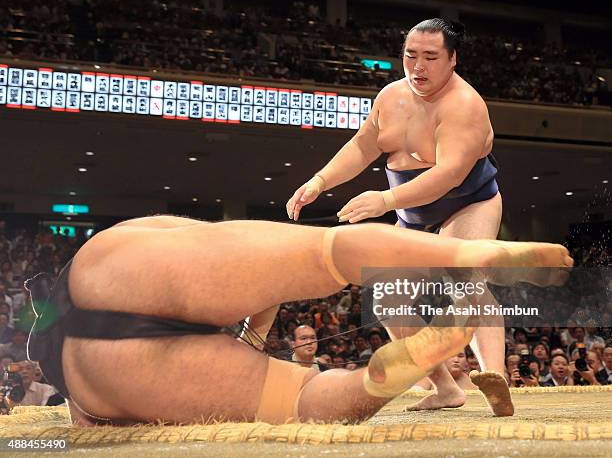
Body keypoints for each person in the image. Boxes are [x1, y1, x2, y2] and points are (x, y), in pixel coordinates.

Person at [25, 215, 571, 426]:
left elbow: (59, 440)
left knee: (309, 402)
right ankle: (467, 253)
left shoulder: (72, 413)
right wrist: (253, 333)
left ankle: (380, 377)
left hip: (96, 379)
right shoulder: (133, 237)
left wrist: (84, 424)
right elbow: (229, 256)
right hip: (109, 266)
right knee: (323, 251)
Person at [287, 18, 514, 415]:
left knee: (463, 271)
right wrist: (320, 181)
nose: (418, 66)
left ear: (452, 59)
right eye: (411, 55)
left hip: (469, 200)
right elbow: (362, 146)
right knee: (386, 293)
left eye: (431, 57)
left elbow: (449, 175)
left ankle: (494, 374)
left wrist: (385, 200)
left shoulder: (465, 106)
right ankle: (444, 387)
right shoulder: (390, 96)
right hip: (411, 211)